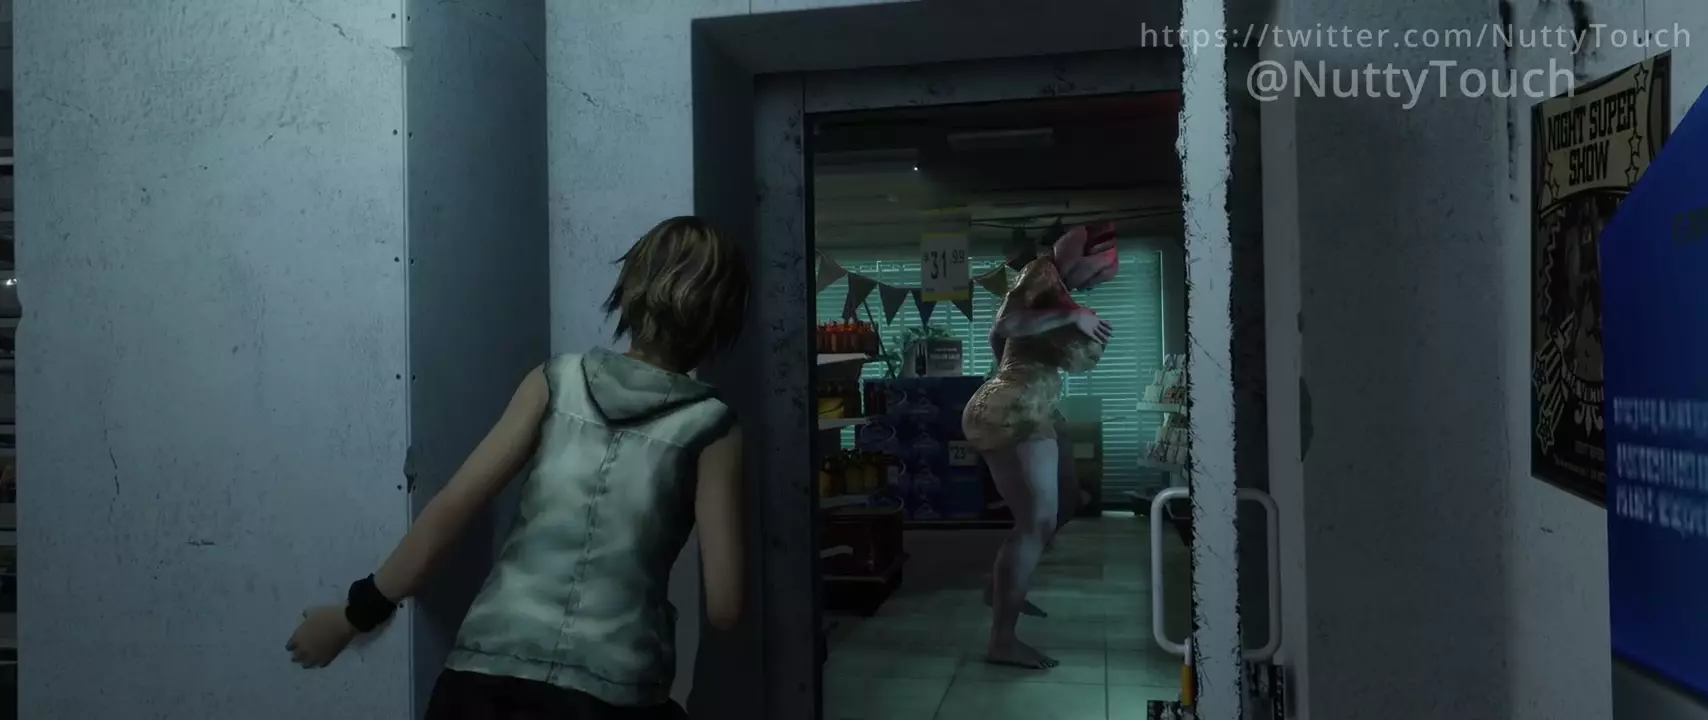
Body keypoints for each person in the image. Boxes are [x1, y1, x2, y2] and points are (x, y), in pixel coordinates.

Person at [284, 216, 752, 719]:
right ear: (720, 316)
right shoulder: (712, 426)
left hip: (486, 673)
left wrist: (353, 617)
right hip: (616, 689)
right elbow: (725, 607)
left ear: (633, 289)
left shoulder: (556, 380)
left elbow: (452, 508)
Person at [963, 221, 1117, 670]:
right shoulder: (1041, 272)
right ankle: (1002, 640)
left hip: (1033, 404)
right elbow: (1006, 324)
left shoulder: (1051, 288)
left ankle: (999, 586)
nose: (1093, 286)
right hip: (1013, 410)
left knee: (1065, 501)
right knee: (1035, 523)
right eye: (1095, 275)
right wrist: (1072, 318)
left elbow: (999, 337)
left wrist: (1016, 372)